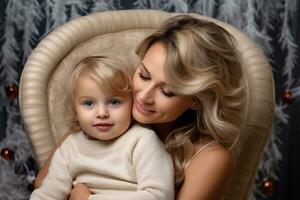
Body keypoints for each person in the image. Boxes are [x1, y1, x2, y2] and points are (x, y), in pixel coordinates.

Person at [35, 15, 245, 200]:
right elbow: (44, 185)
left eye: (167, 91)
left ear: (197, 100)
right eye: (144, 75)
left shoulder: (211, 158)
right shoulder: (104, 119)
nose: (143, 96)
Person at [30, 55, 174, 200]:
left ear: (132, 103)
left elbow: (158, 196)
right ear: (75, 109)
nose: (102, 113)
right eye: (88, 103)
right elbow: (47, 194)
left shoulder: (142, 141)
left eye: (114, 102)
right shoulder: (70, 147)